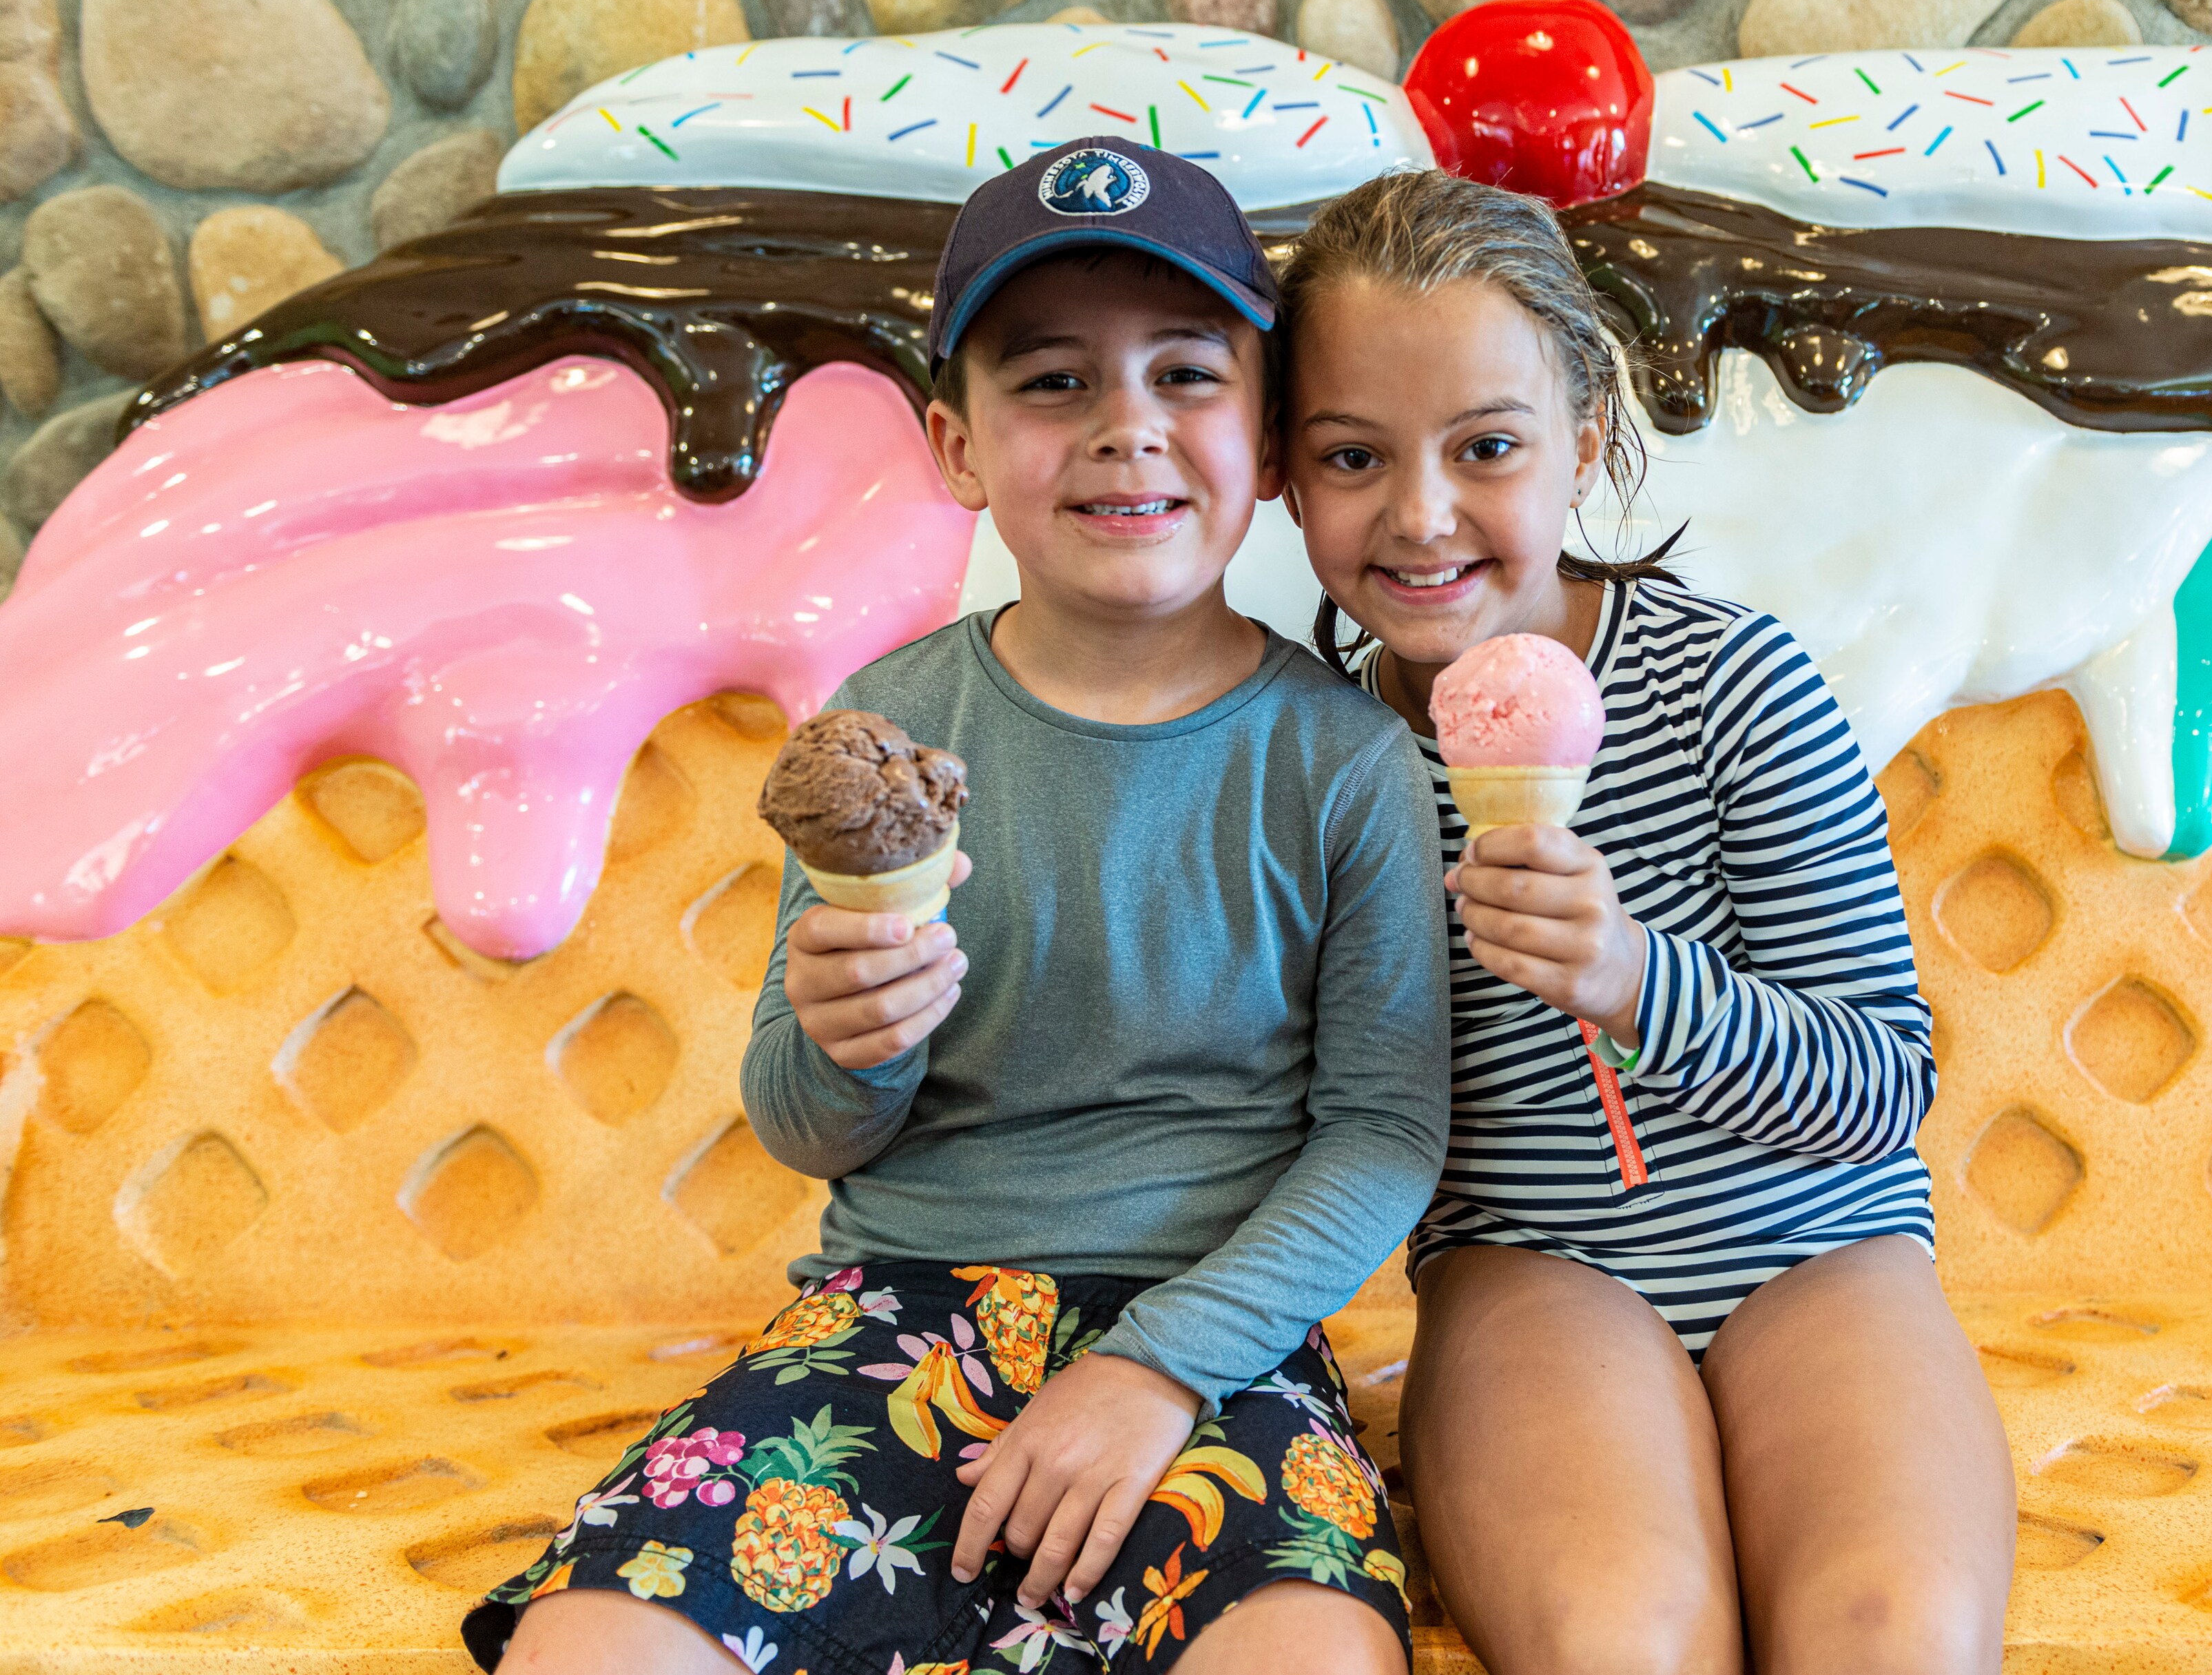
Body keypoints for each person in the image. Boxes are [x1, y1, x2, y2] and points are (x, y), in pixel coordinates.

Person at [471, 137, 1447, 1675]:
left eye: (1187, 375)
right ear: (957, 444)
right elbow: (807, 1128)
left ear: (1264, 438)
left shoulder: (1345, 761)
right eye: (1053, 383)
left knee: (1315, 1657)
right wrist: (844, 1038)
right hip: (889, 1313)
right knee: (588, 1652)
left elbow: (1386, 1131)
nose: (1128, 428)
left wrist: (1155, 1370)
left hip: (1216, 1334)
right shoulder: (886, 727)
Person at [1279, 167, 2015, 1675]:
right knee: (1629, 1636)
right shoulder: (1305, 762)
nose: (1422, 516)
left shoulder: (1734, 687)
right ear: (1288, 480)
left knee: (1896, 1633)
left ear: (1583, 448)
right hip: (1531, 1266)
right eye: (1355, 456)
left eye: (1487, 446)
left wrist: (1632, 978)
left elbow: (1885, 1085)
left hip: (1818, 1249)